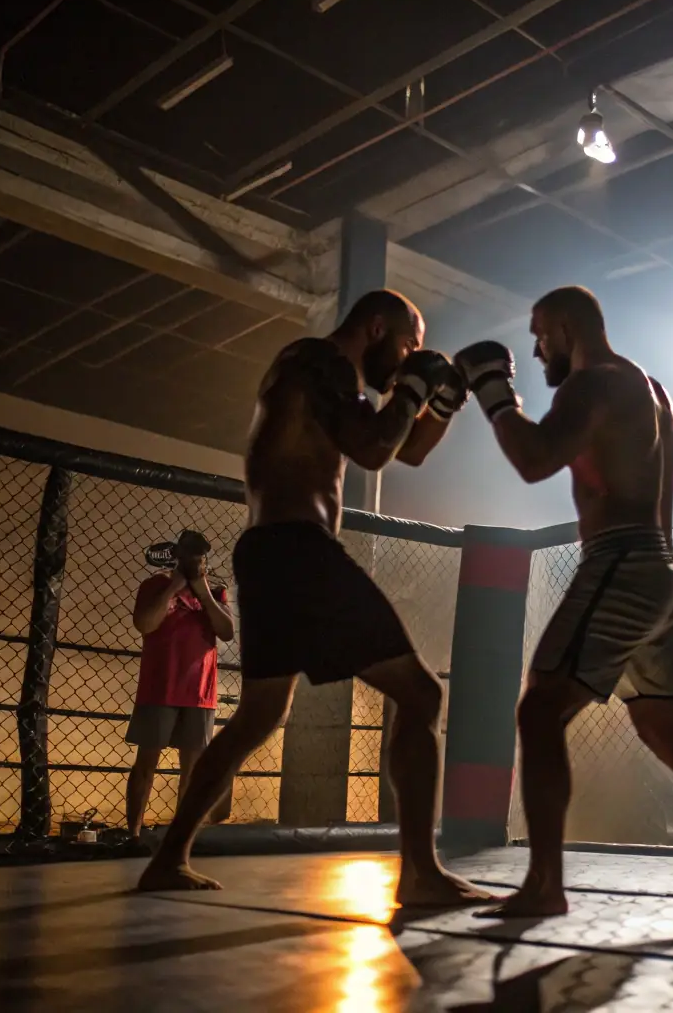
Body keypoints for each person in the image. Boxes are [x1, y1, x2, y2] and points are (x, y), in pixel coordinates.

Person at [138, 289, 492, 905]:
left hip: (273, 551)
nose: (408, 355)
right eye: (407, 343)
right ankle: (420, 874)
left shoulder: (324, 378)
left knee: (258, 715)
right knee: (420, 692)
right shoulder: (316, 360)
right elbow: (376, 447)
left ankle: (167, 859)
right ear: (377, 327)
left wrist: (440, 403)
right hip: (298, 550)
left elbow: (405, 450)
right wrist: (413, 385)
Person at [455, 285, 673, 918]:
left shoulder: (591, 384)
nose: (535, 347)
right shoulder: (650, 389)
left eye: (540, 333)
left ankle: (544, 886)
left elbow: (533, 459)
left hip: (623, 563)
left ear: (564, 326)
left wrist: (491, 388)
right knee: (667, 733)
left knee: (539, 710)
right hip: (664, 572)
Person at [127, 529, 235, 839]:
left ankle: (181, 835)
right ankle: (133, 833)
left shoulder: (215, 591)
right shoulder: (155, 584)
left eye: (200, 557)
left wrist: (201, 590)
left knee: (193, 767)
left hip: (200, 690)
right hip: (160, 685)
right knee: (147, 761)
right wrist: (174, 586)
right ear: (178, 556)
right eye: (189, 556)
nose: (195, 562)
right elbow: (144, 624)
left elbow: (226, 632)